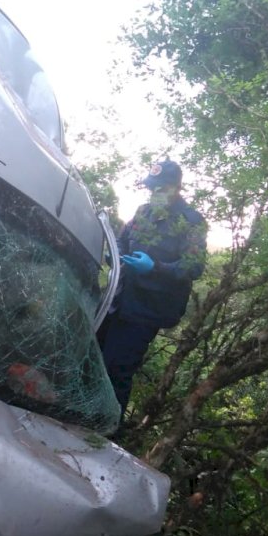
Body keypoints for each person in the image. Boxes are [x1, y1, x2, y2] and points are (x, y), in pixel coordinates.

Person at [98, 159, 207, 419]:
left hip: (147, 309)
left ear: (175, 188)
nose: (154, 193)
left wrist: (155, 268)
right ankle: (79, 414)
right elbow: (123, 241)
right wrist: (116, 255)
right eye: (152, 188)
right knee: (95, 355)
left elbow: (193, 267)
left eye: (160, 188)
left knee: (117, 368)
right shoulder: (143, 212)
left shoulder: (191, 221)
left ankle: (106, 430)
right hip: (119, 298)